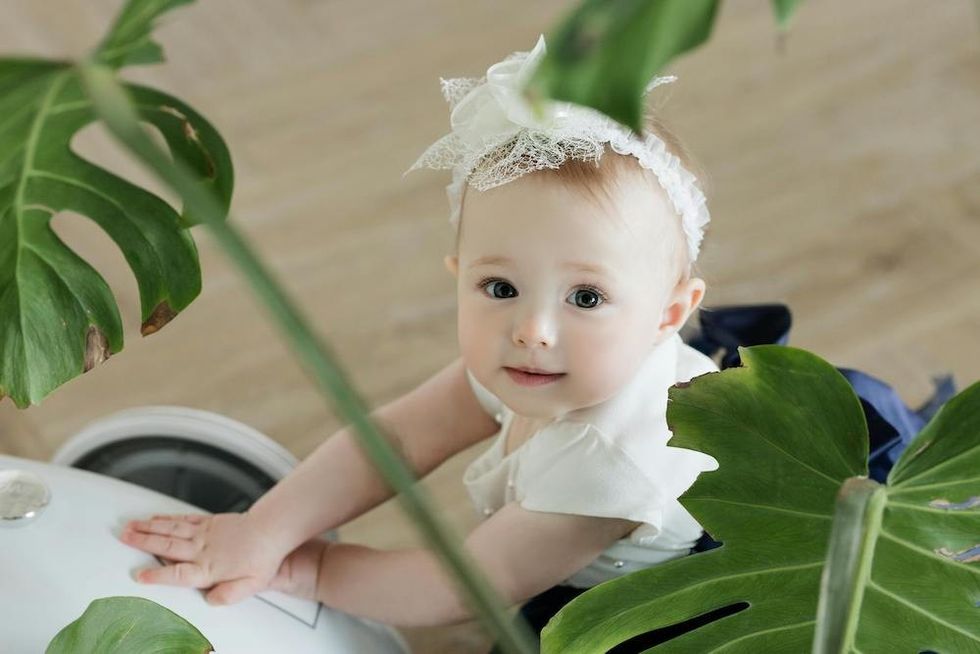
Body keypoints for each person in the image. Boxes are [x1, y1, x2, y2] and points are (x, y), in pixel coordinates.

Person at [119, 35, 720, 646]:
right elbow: (397, 438)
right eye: (501, 286)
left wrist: (312, 569)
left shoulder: (612, 462)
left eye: (586, 298)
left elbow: (465, 586)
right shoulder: (539, 359)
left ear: (669, 313)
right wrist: (265, 531)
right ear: (459, 275)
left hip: (664, 612)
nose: (532, 330)